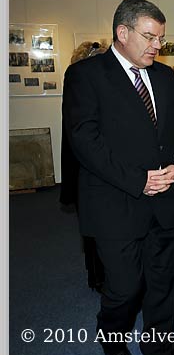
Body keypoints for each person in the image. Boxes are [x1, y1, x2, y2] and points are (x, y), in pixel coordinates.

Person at [62, 0, 174, 355]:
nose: (157, 46)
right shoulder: (86, 76)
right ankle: (112, 337)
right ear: (123, 32)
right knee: (124, 289)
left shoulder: (166, 76)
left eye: (161, 39)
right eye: (150, 37)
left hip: (164, 202)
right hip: (114, 203)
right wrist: (139, 181)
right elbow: (85, 142)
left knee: (162, 288)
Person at [60, 41, 109, 293]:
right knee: (92, 226)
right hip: (84, 167)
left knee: (98, 226)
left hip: (92, 164)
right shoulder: (78, 81)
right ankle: (98, 275)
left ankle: (99, 274)